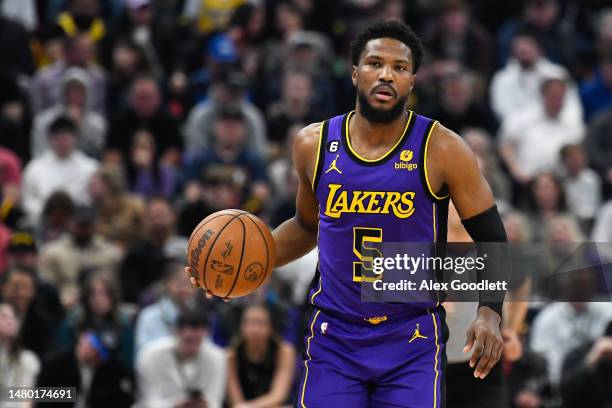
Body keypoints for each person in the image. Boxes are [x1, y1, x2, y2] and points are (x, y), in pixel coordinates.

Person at [187, 20, 506, 406]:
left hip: (412, 336)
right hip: (335, 337)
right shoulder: (312, 143)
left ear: (412, 81)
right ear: (355, 73)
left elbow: (492, 236)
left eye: (400, 67)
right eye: (374, 63)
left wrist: (490, 310)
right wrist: (237, 262)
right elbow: (307, 227)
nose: (386, 74)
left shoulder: (443, 148)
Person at [136, 309, 226, 408]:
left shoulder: (217, 357)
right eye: (188, 340)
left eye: (197, 341)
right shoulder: (151, 356)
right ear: (176, 333)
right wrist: (174, 405)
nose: (192, 347)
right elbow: (149, 401)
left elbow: (214, 401)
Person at [21, 116, 99, 225]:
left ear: (75, 138)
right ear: (49, 139)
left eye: (66, 137)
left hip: (79, 222)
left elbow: (92, 199)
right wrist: (47, 215)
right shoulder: (35, 168)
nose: (62, 142)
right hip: (44, 222)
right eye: (57, 137)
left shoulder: (91, 167)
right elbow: (28, 200)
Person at [36, 330, 134, 408]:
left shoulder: (112, 370)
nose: (88, 350)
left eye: (94, 349)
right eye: (87, 343)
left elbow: (123, 400)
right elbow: (40, 396)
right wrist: (69, 394)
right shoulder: (56, 363)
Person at [226, 303, 296, 407]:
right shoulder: (231, 355)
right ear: (241, 327)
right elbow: (237, 402)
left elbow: (278, 396)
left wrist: (249, 407)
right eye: (249, 323)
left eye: (260, 323)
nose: (255, 329)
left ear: (270, 327)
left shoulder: (284, 351)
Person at [0, 302, 41, 402]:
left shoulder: (27, 360)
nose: (10, 321)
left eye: (13, 317)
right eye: (3, 316)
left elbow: (26, 400)